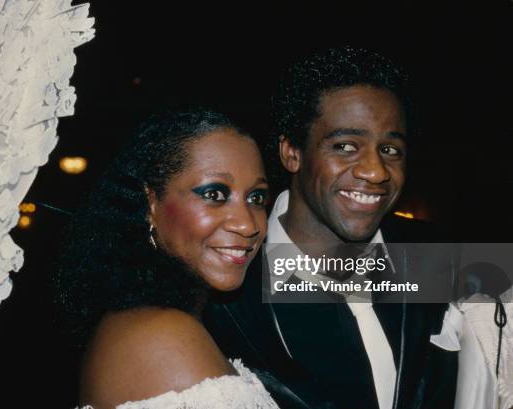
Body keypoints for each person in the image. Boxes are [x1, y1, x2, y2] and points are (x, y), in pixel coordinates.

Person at [204, 47, 459, 409]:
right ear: (292, 152)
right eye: (345, 146)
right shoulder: (223, 288)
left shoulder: (445, 257)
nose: (375, 171)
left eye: (390, 150)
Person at [55, 108, 280, 408]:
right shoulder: (160, 336)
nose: (248, 224)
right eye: (214, 194)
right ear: (151, 203)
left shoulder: (143, 320)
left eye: (257, 198)